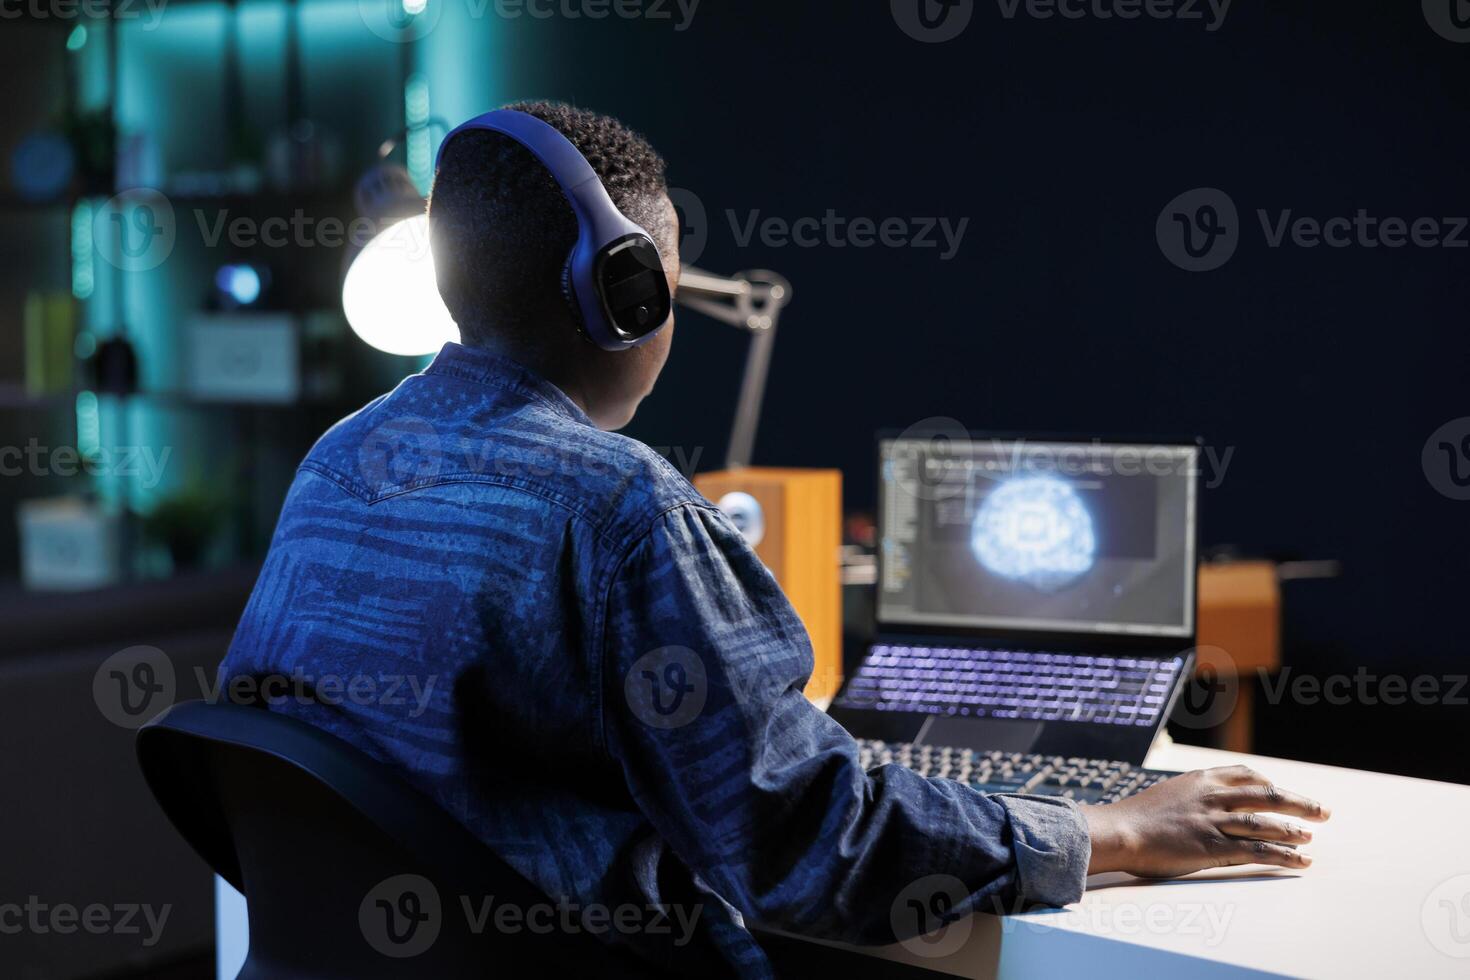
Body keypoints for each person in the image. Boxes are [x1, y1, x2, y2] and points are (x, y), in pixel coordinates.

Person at [220, 100, 1329, 977]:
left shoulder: (338, 460)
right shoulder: (620, 507)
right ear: (625, 294)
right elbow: (807, 842)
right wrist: (1105, 831)